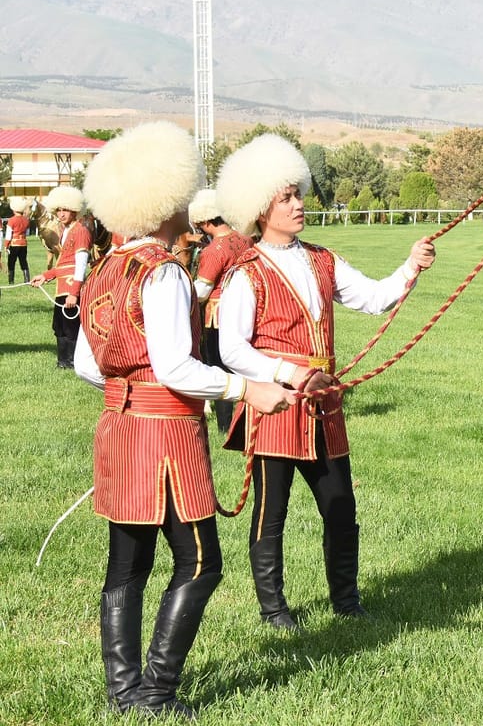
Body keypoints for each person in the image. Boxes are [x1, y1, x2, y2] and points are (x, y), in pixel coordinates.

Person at [73, 121, 296, 718]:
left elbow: (85, 363)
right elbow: (175, 366)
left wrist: (128, 388)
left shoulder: (105, 268)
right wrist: (243, 387)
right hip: (166, 436)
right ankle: (155, 692)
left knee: (127, 563)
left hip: (119, 430)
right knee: (199, 563)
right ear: (168, 196)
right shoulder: (163, 271)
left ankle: (122, 693)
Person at [215, 134, 436, 629]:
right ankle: (274, 610)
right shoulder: (243, 274)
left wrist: (410, 265)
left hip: (325, 406)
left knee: (340, 509)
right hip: (275, 405)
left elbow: (375, 298)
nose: (298, 204)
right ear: (260, 208)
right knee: (271, 517)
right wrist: (290, 373)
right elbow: (232, 350)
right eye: (286, 197)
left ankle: (347, 603)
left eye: (298, 194)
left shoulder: (322, 259)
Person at [189, 188, 254, 433]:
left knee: (219, 368)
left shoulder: (214, 250)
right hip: (247, 310)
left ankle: (226, 426)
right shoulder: (245, 239)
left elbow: (204, 289)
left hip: (218, 316)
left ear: (206, 222)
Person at [29, 185, 91, 368]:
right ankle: (62, 362)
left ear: (75, 210)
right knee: (59, 326)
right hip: (61, 287)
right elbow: (63, 263)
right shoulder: (65, 231)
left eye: (66, 210)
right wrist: (45, 276)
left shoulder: (80, 231)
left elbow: (80, 264)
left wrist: (74, 292)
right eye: (59, 210)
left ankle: (73, 362)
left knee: (71, 328)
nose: (61, 214)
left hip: (71, 287)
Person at [4, 196, 31, 284]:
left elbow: (8, 235)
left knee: (11, 262)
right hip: (23, 243)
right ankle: (27, 280)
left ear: (14, 209)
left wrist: (6, 245)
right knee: (23, 261)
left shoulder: (11, 220)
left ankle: (11, 281)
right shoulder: (26, 220)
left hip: (14, 244)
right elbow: (27, 233)